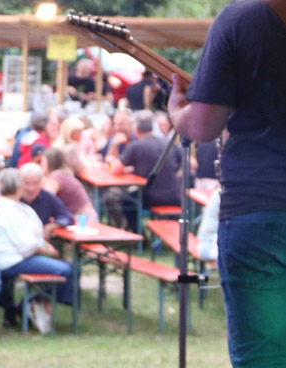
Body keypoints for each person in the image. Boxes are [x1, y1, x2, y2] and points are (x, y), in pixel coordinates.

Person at [167, 1, 286, 366]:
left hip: (259, 208)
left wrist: (176, 110)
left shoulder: (241, 19)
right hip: (260, 210)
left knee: (265, 357)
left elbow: (203, 126)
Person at [0, 168, 74, 328]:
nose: (27, 188)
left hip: (18, 258)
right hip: (14, 261)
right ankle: (30, 303)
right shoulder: (9, 211)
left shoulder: (13, 208)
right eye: (25, 184)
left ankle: (29, 304)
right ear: (18, 187)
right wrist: (44, 249)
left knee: (66, 267)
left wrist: (41, 244)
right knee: (66, 270)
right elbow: (26, 246)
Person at [110, 110, 181, 231]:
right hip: (175, 196)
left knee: (127, 201)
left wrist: (114, 145)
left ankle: (139, 235)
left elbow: (116, 169)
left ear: (136, 130)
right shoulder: (168, 143)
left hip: (152, 196)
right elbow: (189, 164)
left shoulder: (136, 146)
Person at [42, 148, 98, 222]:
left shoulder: (56, 176)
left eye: (42, 161)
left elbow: (46, 199)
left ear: (49, 163)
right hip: (85, 216)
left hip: (82, 218)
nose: (41, 164)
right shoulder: (63, 174)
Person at [19, 163, 75, 232]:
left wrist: (52, 226)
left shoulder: (48, 197)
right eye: (27, 183)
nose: (31, 189)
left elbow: (67, 217)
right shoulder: (15, 198)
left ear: (41, 182)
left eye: (35, 183)